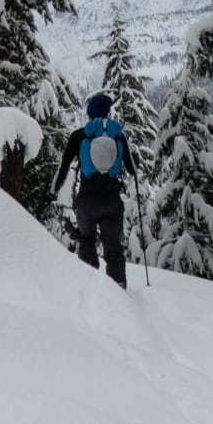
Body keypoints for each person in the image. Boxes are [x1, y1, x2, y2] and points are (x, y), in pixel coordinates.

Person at [50, 91, 140, 288]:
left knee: (86, 241)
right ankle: (119, 287)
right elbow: (133, 168)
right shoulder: (118, 135)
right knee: (114, 248)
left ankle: (89, 287)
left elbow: (63, 167)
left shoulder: (80, 135)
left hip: (87, 202)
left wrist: (52, 191)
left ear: (89, 114)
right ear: (107, 114)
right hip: (112, 201)